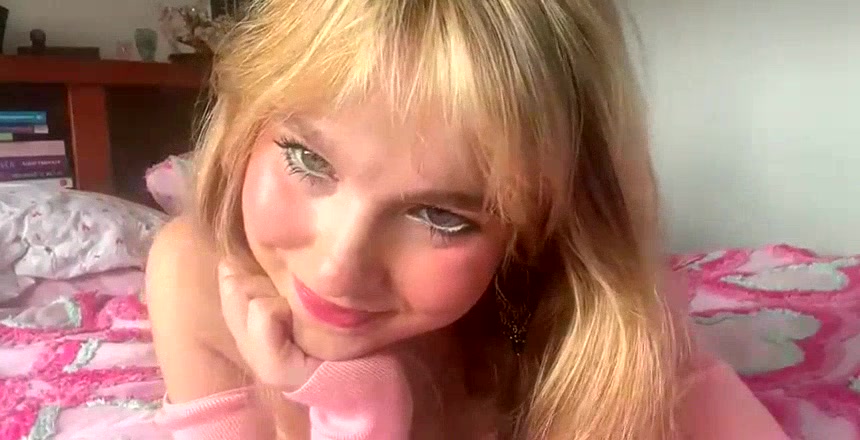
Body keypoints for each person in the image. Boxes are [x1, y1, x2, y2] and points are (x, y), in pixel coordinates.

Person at [145, 0, 790, 438]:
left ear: (539, 234)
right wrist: (358, 406)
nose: (338, 268)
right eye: (307, 160)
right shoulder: (196, 276)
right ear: (246, 122)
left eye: (439, 216)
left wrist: (354, 404)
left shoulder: (586, 321)